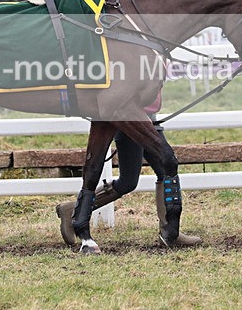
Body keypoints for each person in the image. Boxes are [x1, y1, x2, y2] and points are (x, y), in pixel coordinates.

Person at [55, 94, 202, 247]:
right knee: (135, 179)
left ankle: (170, 231)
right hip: (129, 121)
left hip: (145, 121)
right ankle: (73, 210)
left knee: (145, 176)